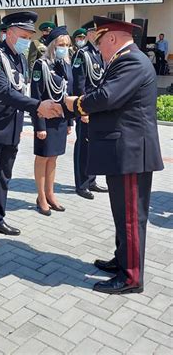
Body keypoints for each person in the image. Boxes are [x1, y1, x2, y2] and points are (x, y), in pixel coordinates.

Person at [65, 16, 163, 295]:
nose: (98, 49)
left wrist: (77, 104)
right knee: (122, 213)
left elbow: (107, 96)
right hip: (123, 151)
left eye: (99, 43)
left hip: (131, 154)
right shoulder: (126, 59)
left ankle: (131, 277)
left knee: (131, 216)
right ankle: (122, 260)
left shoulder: (131, 60)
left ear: (111, 38)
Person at [0, 11, 63, 247]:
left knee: (4, 177)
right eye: (23, 35)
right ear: (9, 33)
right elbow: (3, 91)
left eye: (30, 36)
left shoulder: (19, 58)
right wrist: (37, 107)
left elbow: (21, 89)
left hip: (11, 127)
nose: (27, 40)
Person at [31, 26, 73, 215]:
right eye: (61, 45)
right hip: (45, 119)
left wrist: (70, 121)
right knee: (43, 158)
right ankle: (41, 197)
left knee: (53, 158)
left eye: (66, 45)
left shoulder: (65, 64)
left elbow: (69, 94)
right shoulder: (41, 65)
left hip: (61, 119)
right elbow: (36, 96)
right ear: (52, 46)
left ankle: (50, 194)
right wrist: (39, 126)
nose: (64, 48)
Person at [72, 23, 108, 199]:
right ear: (90, 34)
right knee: (84, 146)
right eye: (98, 32)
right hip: (85, 108)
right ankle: (82, 184)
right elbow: (78, 84)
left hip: (98, 108)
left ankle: (91, 180)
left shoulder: (99, 53)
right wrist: (82, 110)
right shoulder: (82, 54)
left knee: (94, 145)